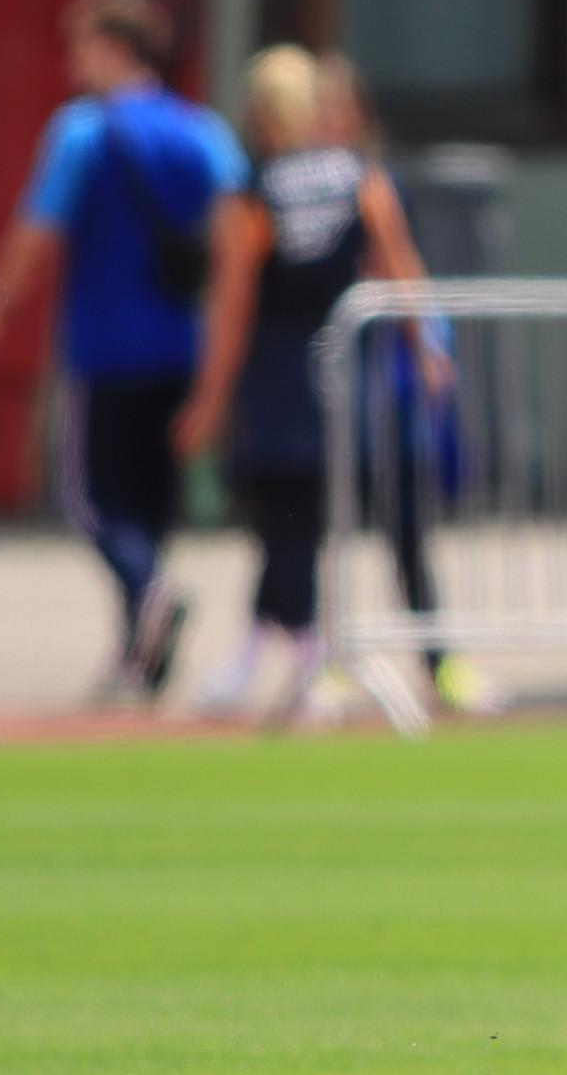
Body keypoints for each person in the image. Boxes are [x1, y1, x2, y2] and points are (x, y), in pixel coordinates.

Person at [0, 0, 244, 700]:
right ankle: (138, 660)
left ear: (116, 49)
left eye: (82, 46)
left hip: (104, 348)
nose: (72, 62)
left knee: (91, 498)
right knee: (150, 507)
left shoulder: (82, 132)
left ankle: (149, 598)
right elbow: (235, 233)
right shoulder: (202, 130)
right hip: (179, 347)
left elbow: (39, 230)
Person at [171, 47, 445, 716]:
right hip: (348, 372)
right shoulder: (361, 177)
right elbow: (398, 265)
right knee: (326, 521)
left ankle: (307, 664)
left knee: (286, 523)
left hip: (278, 377)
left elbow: (231, 306)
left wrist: (207, 400)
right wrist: (428, 347)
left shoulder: (252, 195)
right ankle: (287, 660)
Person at [312, 52, 501, 714]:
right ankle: (326, 663)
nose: (327, 121)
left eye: (338, 109)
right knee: (318, 530)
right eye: (315, 109)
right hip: (319, 385)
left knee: (406, 528)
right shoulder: (282, 189)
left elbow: (404, 267)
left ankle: (440, 663)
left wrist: (429, 344)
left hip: (378, 385)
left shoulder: (376, 183)